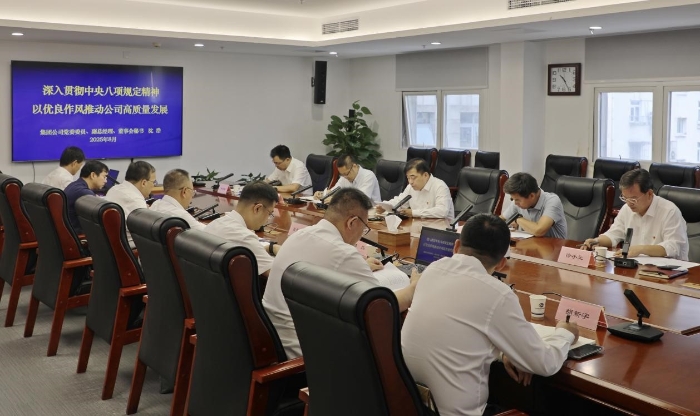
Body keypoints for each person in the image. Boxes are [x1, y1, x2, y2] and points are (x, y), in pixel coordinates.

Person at [401, 214, 579, 416]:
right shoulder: (498, 294)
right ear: (502, 263)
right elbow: (545, 363)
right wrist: (565, 333)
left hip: (410, 406)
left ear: (456, 246)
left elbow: (462, 332)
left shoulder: (432, 270)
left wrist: (505, 349)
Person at [263, 187, 421, 359]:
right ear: (352, 222)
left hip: (274, 340)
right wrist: (414, 288)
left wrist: (359, 266)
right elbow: (381, 307)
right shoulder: (344, 254)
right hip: (305, 355)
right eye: (364, 228)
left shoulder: (299, 235)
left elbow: (324, 264)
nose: (362, 234)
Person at [582, 169, 688, 260]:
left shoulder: (669, 211)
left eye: (633, 199)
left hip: (669, 270)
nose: (629, 203)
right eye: (625, 198)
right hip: (637, 267)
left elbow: (673, 247)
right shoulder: (626, 209)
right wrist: (596, 241)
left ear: (649, 194)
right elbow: (614, 234)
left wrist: (640, 249)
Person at [204, 181, 279, 276]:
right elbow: (276, 274)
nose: (268, 219)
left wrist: (271, 248)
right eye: (270, 213)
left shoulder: (215, 223)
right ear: (257, 208)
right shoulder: (244, 237)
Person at [375, 158, 454, 222]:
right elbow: (400, 201)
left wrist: (414, 213)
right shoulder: (410, 187)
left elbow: (442, 211)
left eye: (413, 177)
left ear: (425, 175)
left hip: (440, 229)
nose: (410, 182)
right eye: (408, 178)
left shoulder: (440, 186)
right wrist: (385, 206)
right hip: (419, 226)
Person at [500, 172, 567, 239]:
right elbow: (501, 219)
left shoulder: (552, 201)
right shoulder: (519, 201)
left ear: (532, 196)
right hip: (529, 243)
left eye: (517, 200)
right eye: (512, 199)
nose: (515, 203)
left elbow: (539, 231)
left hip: (553, 244)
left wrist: (517, 219)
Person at [105, 161, 156, 246]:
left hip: (110, 244)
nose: (154, 185)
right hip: (131, 247)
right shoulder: (135, 200)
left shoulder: (114, 189)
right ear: (143, 183)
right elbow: (146, 233)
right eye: (153, 182)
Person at [313, 153, 381, 202]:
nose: (345, 177)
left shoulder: (368, 176)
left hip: (371, 214)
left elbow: (360, 199)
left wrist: (337, 199)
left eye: (346, 174)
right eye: (342, 174)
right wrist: (322, 194)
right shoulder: (344, 177)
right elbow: (334, 191)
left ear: (354, 166)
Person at [64, 160, 109, 234]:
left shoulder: (74, 185)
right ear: (93, 175)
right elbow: (97, 219)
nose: (105, 181)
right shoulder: (85, 194)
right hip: (77, 234)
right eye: (104, 177)